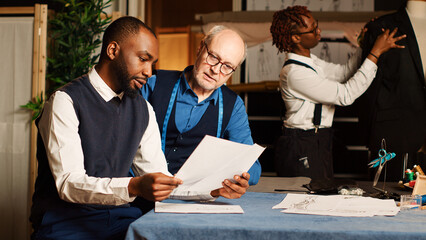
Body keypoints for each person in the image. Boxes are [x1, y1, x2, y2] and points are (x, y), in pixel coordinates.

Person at [30, 17, 248, 240]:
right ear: (113, 50)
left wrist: (213, 190)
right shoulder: (65, 101)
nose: (149, 71)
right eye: (143, 59)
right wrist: (134, 186)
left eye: (152, 62)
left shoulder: (142, 108)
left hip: (122, 222)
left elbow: (162, 179)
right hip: (66, 225)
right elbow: (69, 184)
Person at [270, 6, 406, 180]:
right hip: (301, 143)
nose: (318, 31)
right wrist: (375, 53)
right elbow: (345, 95)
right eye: (312, 29)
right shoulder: (295, 73)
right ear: (296, 37)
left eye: (316, 24)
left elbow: (344, 73)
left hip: (319, 140)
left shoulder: (311, 62)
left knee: (321, 196)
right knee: (304, 200)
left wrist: (363, 46)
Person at [140, 26, 262, 186]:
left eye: (227, 66)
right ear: (200, 47)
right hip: (142, 192)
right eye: (213, 57)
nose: (215, 70)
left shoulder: (233, 106)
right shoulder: (153, 84)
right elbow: (123, 145)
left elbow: (253, 168)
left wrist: (237, 178)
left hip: (194, 198)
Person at [358, 0, 426, 181]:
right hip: (395, 133)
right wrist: (368, 135)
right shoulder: (382, 27)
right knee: (391, 198)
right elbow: (369, 87)